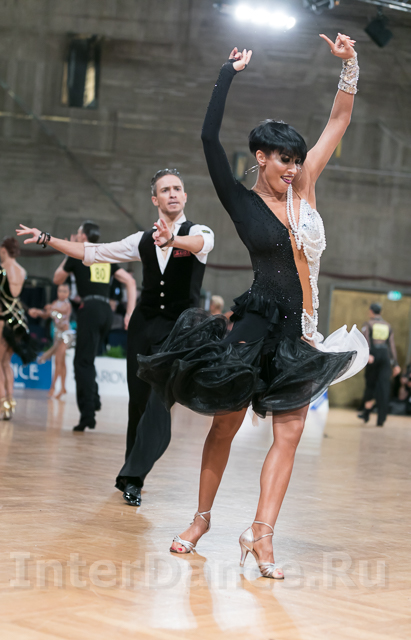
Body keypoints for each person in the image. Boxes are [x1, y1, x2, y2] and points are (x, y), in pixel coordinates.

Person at [136, 37, 368, 578]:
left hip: (301, 331)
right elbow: (208, 138)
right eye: (283, 159)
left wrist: (350, 64)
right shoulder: (242, 202)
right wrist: (228, 73)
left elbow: (339, 119)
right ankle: (200, 519)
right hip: (257, 325)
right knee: (226, 424)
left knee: (290, 433)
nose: (292, 167)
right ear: (261, 157)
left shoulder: (304, 187)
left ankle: (261, 535)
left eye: (296, 159)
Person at [17, 169, 214, 506]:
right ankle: (131, 475)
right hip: (142, 326)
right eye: (165, 190)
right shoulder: (141, 240)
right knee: (137, 403)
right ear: (154, 199)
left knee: (159, 401)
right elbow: (92, 252)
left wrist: (173, 240)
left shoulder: (198, 232)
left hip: (177, 331)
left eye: (177, 188)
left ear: (185, 196)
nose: (172, 193)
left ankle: (132, 477)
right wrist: (47, 238)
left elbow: (201, 245)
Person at [48, 221, 136, 431]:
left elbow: (57, 278)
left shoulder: (79, 254)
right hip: (106, 312)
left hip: (90, 310)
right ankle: (94, 399)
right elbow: (130, 282)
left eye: (78, 234)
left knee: (82, 362)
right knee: (88, 359)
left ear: (83, 237)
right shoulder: (104, 254)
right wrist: (129, 312)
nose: (76, 236)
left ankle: (87, 415)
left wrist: (68, 250)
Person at [0, 237, 37, 420]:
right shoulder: (22, 271)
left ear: (3, 250)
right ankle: (10, 402)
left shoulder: (0, 270)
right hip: (18, 324)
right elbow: (15, 298)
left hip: (2, 322)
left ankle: (3, 405)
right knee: (6, 363)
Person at [28, 283, 75, 399]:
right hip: (57, 336)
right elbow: (47, 314)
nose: (62, 293)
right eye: (60, 291)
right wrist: (38, 312)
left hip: (65, 336)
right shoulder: (54, 303)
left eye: (65, 291)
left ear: (68, 293)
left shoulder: (67, 305)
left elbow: (62, 310)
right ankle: (63, 388)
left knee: (58, 361)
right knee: (61, 362)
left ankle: (53, 387)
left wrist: (50, 307)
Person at [359, 303, 401, 427]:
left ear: (371, 311)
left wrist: (367, 354)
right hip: (385, 356)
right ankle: (381, 418)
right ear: (380, 312)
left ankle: (366, 413)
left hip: (373, 356)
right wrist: (396, 364)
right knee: (384, 387)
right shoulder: (388, 325)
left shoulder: (368, 324)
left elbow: (365, 340)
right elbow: (391, 345)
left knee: (370, 385)